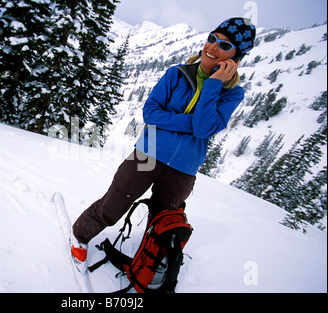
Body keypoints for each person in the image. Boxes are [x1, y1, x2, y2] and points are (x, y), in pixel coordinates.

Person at [70, 17, 257, 272]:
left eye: (225, 46)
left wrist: (213, 85)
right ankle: (80, 235)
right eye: (212, 38)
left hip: (184, 168)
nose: (213, 47)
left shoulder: (232, 93)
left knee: (163, 219)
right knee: (115, 201)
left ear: (236, 58)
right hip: (147, 154)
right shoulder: (177, 74)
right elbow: (151, 114)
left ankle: (147, 261)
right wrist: (192, 124)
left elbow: (204, 129)